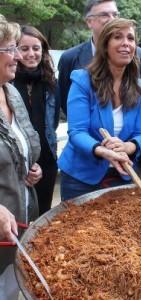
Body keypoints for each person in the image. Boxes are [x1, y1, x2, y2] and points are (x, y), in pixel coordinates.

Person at [58, 18, 141, 201]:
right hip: (80, 179)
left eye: (130, 38)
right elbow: (77, 132)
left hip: (122, 176)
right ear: (105, 45)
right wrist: (103, 150)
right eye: (118, 37)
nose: (126, 43)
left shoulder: (140, 86)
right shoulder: (82, 80)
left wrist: (127, 146)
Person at [0, 19, 42, 300]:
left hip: (21, 218)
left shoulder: (10, 91)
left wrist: (29, 166)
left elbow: (23, 144)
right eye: (10, 48)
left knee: (11, 284)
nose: (18, 56)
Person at [58, 0, 141, 116]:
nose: (112, 19)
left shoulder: (137, 54)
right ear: (89, 22)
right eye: (104, 15)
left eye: (115, 15)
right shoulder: (69, 58)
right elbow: (65, 103)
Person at [14, 25, 59, 215]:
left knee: (43, 214)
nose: (31, 54)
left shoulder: (51, 82)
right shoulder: (7, 82)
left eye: (36, 48)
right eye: (24, 49)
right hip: (17, 163)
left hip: (46, 161)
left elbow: (53, 122)